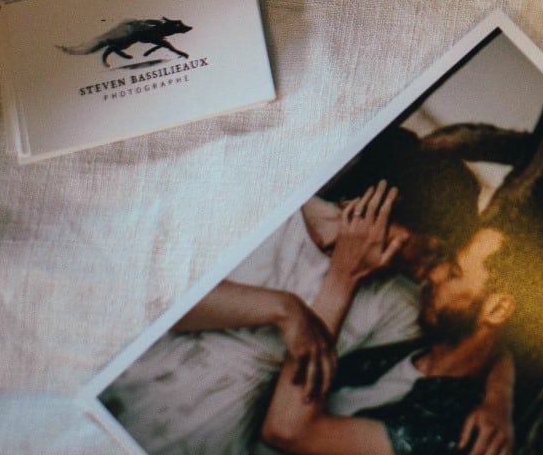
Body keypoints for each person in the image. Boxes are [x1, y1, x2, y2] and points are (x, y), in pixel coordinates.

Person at [101, 135, 503, 455]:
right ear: (393, 217)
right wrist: (284, 310)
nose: (429, 270)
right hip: (134, 384)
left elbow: (479, 337)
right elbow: (158, 301)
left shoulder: (393, 299)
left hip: (220, 432)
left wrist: (499, 399)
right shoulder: (280, 207)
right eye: (431, 251)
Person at [260, 225, 528, 455]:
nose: (435, 275)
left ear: (498, 309)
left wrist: (343, 275)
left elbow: (286, 431)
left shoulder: (445, 429)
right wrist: (500, 395)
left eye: (455, 274)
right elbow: (498, 350)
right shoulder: (423, 331)